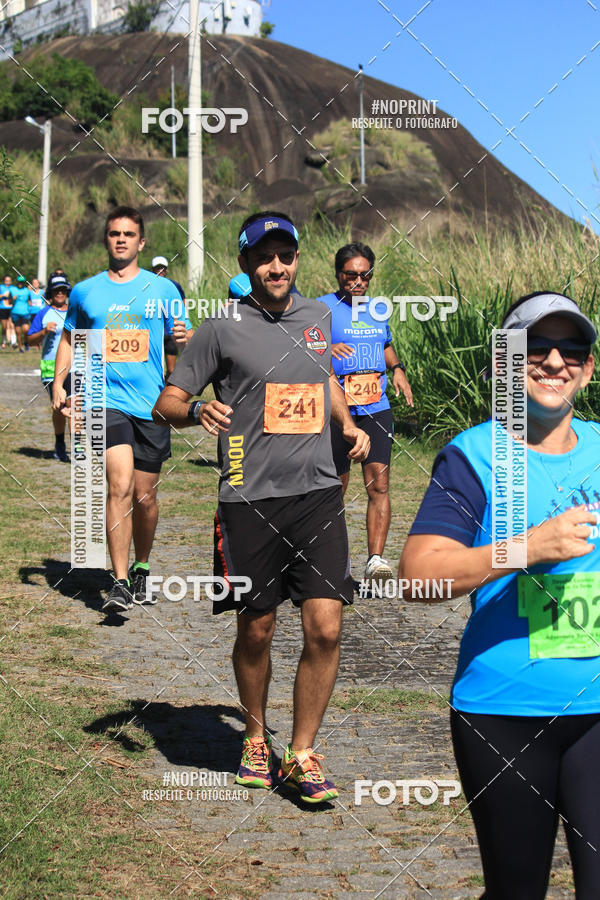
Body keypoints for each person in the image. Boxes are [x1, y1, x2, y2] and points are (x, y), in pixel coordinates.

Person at [153, 211, 370, 803]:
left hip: (319, 491)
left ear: (298, 260)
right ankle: (254, 735)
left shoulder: (318, 317)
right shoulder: (219, 327)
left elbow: (324, 379)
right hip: (249, 496)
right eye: (265, 257)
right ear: (245, 263)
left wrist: (348, 423)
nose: (278, 266)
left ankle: (302, 752)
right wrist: (197, 411)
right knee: (259, 627)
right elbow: (167, 400)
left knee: (325, 625)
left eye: (287, 255)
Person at [399, 291, 600, 898]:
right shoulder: (475, 455)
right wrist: (526, 550)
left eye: (573, 350)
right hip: (505, 713)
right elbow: (417, 577)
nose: (555, 362)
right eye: (536, 347)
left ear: (589, 368)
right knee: (517, 890)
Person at [52, 206, 190, 613]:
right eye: (114, 233)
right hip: (103, 401)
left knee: (145, 498)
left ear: (141, 242)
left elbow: (180, 339)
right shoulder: (85, 291)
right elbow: (68, 337)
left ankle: (142, 566)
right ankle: (119, 581)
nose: (121, 239)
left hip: (151, 404)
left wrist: (183, 336)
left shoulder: (163, 290)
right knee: (120, 487)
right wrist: (61, 381)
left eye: (129, 234)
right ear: (106, 239)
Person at [317, 243, 413, 586]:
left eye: (365, 274)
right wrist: (326, 348)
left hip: (376, 408)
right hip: (337, 410)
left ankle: (375, 561)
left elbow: (385, 344)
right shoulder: (321, 308)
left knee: (380, 485)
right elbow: (295, 344)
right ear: (338, 274)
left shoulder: (377, 309)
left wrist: (398, 368)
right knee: (334, 489)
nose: (358, 281)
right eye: (350, 274)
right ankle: (335, 565)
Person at [27, 273, 71, 461]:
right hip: (50, 367)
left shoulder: (74, 312)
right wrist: (44, 331)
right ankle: (60, 443)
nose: (60, 293)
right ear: (51, 293)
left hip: (74, 366)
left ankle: (76, 446)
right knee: (59, 407)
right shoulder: (43, 314)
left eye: (63, 290)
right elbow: (28, 339)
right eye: (56, 290)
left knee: (74, 405)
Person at [152, 255, 188, 377]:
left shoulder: (174, 286)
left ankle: (167, 393)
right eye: (157, 268)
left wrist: (180, 318)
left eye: (162, 268)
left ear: (166, 270)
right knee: (156, 371)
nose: (160, 271)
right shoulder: (147, 285)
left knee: (171, 371)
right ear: (153, 269)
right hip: (154, 333)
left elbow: (183, 302)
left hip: (170, 331)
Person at [10, 274, 32, 352]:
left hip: (25, 312)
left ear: (24, 283)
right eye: (19, 282)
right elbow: (9, 301)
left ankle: (26, 342)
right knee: (18, 331)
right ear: (17, 282)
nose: (20, 284)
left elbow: (30, 300)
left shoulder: (27, 291)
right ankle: (20, 347)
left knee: (26, 329)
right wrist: (12, 299)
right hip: (15, 313)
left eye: (22, 282)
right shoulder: (12, 290)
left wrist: (31, 304)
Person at [0, 274, 16, 349]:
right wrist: (3, 295)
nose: (8, 282)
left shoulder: (13, 288)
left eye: (9, 281)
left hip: (12, 308)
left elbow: (16, 296)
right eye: (6, 281)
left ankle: (13, 342)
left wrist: (13, 297)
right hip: (3, 308)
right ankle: (3, 342)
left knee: (12, 325)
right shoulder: (1, 287)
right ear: (4, 281)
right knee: (4, 326)